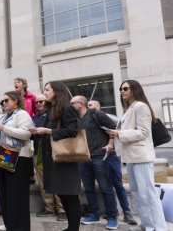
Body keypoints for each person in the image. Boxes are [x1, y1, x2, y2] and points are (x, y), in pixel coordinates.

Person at [107, 80, 167, 231]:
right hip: (131, 156)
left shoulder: (141, 106)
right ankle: (147, 224)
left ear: (135, 89)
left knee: (147, 192)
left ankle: (158, 227)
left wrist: (119, 133)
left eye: (125, 88)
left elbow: (143, 132)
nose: (122, 91)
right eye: (121, 88)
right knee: (137, 192)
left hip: (141, 155)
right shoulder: (129, 108)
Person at [32, 81, 81, 231]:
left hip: (65, 158)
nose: (45, 92)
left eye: (47, 90)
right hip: (53, 158)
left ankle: (74, 228)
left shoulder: (67, 108)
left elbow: (72, 131)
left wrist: (48, 131)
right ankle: (70, 227)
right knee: (63, 193)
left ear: (57, 91)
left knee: (70, 195)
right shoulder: (52, 109)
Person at [0, 91, 34, 231]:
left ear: (15, 101)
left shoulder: (22, 114)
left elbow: (27, 133)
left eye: (6, 100)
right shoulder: (2, 116)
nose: (3, 103)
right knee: (4, 192)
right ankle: (10, 223)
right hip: (4, 156)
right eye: (1, 102)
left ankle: (20, 226)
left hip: (19, 158)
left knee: (17, 194)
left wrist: (5, 128)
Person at [70, 95, 119, 229]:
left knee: (106, 187)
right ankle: (94, 214)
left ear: (81, 104)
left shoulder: (97, 114)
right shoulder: (74, 119)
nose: (70, 106)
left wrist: (110, 144)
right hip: (83, 157)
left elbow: (113, 127)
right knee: (88, 188)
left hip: (99, 156)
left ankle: (112, 217)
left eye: (72, 103)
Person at [89, 100, 137, 225]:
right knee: (106, 185)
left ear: (99, 106)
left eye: (91, 105)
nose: (89, 107)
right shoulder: (88, 119)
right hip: (99, 157)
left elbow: (118, 130)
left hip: (112, 156)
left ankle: (127, 212)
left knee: (117, 183)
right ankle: (113, 211)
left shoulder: (109, 117)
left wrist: (111, 144)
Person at [32, 94, 66, 221]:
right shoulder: (35, 117)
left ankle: (62, 208)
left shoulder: (54, 114)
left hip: (54, 151)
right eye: (37, 102)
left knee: (57, 180)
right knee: (42, 182)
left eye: (41, 101)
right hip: (38, 151)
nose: (39, 104)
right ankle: (49, 208)